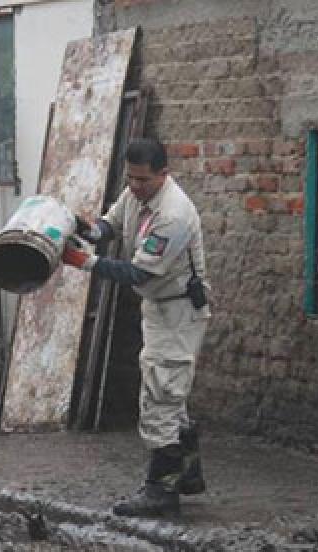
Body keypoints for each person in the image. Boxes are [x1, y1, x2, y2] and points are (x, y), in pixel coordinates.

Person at [62, 137, 211, 517]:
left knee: (160, 395)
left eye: (143, 180)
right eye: (130, 178)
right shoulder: (135, 195)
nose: (134, 186)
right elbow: (109, 227)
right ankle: (187, 472)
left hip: (178, 311)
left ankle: (160, 491)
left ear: (164, 174)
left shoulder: (173, 214)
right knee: (168, 389)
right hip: (158, 305)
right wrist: (81, 227)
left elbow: (137, 271)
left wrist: (84, 262)